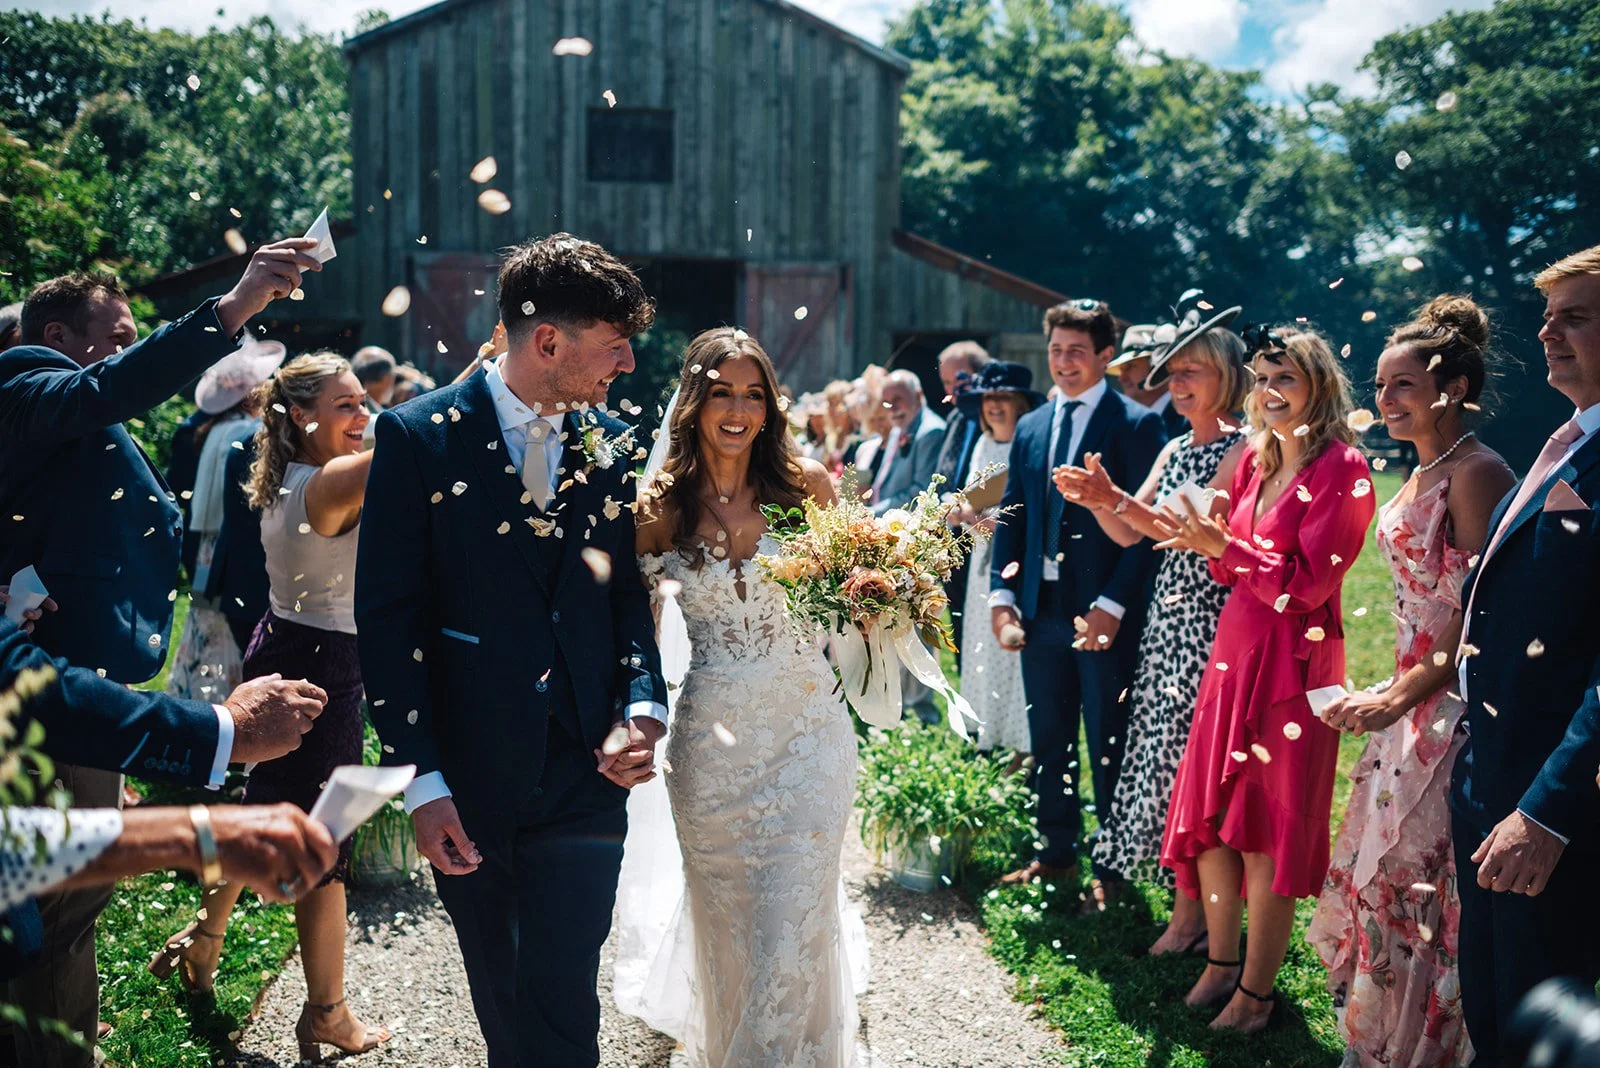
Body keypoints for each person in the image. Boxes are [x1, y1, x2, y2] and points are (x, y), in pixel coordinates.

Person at [0, 240, 318, 1068]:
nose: (130, 349)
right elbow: (110, 387)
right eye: (117, 334)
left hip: (76, 674)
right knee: (60, 897)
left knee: (69, 890)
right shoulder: (24, 383)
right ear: (58, 335)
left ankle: (56, 1030)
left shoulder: (53, 411)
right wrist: (234, 306)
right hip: (50, 687)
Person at [357, 233, 667, 1067]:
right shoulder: (416, 439)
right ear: (548, 342)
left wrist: (642, 705)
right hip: (471, 778)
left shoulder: (614, 446)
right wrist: (420, 782)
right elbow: (387, 620)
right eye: (614, 345)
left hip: (586, 777)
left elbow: (627, 599)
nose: (629, 364)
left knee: (565, 995)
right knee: (504, 997)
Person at [618, 326, 867, 1066]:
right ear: (693, 401)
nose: (737, 408)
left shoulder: (808, 485)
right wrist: (632, 717)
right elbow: (636, 633)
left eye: (752, 394)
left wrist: (887, 589)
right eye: (721, 391)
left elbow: (854, 599)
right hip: (713, 747)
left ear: (770, 405)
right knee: (730, 934)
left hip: (809, 737)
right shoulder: (660, 506)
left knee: (791, 928)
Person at [152, 352, 388, 1059]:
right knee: (325, 844)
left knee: (263, 807)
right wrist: (488, 376)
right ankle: (328, 1014)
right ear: (301, 416)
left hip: (285, 644)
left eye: (362, 403)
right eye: (346, 405)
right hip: (322, 670)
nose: (363, 416)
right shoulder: (331, 483)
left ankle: (205, 943)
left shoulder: (289, 474)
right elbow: (412, 439)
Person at [1305, 296, 1515, 1066]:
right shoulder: (1423, 467)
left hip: (1450, 709)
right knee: (1383, 880)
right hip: (1403, 700)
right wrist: (1387, 696)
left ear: (1451, 388)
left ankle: (1426, 1050)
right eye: (1381, 385)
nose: (1384, 400)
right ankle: (1381, 1047)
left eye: (1402, 386)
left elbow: (1476, 622)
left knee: (1424, 892)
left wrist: (1398, 698)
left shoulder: (1479, 473)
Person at [1156, 324, 1375, 1033]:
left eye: (1286, 379)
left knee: (1265, 835)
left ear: (1319, 386)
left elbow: (1308, 589)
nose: (1270, 392)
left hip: (1292, 667)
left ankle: (1256, 994)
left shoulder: (1343, 468)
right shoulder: (1256, 460)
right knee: (1217, 823)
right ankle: (1220, 964)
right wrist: (1211, 543)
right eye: (1263, 379)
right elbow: (1228, 566)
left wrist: (1228, 549)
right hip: (1235, 652)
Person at [1448, 245, 1600, 1065]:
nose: (1547, 332)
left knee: (1536, 1022)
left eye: (1574, 315)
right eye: (1548, 315)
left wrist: (1545, 811)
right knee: (1491, 1008)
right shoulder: (1567, 442)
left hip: (1554, 802)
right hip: (1490, 772)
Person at [1057, 318, 1251, 931]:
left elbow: (1179, 529)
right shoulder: (1174, 447)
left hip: (1210, 621)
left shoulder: (1244, 448)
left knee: (1193, 764)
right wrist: (1099, 499)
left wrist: (1115, 500)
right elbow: (1131, 530)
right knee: (1166, 758)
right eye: (1172, 372)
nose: (1176, 381)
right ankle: (1186, 909)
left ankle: (1197, 917)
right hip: (1167, 622)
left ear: (1228, 376)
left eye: (1192, 370)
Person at [989, 299, 1167, 893]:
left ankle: (1112, 868)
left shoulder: (1136, 423)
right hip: (1039, 607)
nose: (1064, 363)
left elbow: (1145, 531)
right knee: (1051, 735)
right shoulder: (1034, 424)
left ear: (1106, 356)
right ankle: (1056, 850)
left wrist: (1113, 605)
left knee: (1107, 737)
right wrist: (1001, 591)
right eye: (1056, 350)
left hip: (1102, 609)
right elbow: (1012, 510)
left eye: (1077, 352)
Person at [165, 336, 283, 702]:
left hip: (206, 544)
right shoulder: (245, 433)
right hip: (232, 542)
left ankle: (193, 697)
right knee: (224, 633)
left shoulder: (209, 430)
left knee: (206, 626)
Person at [947, 361, 1044, 771]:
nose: (995, 407)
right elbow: (971, 499)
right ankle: (987, 741)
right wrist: (960, 512)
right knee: (981, 650)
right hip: (980, 564)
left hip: (1014, 566)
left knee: (1012, 659)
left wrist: (981, 516)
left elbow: (1026, 513)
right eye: (989, 399)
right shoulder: (984, 446)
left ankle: (1023, 753)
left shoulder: (1030, 444)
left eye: (1004, 398)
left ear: (1022, 404)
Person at [870, 369, 946, 514]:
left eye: (898, 400)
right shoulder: (898, 428)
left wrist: (873, 512)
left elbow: (920, 492)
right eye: (887, 403)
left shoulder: (931, 432)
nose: (893, 409)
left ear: (918, 396)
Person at [351, 345, 397, 409]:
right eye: (393, 375)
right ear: (385, 378)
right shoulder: (375, 416)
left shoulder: (347, 409)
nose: (394, 382)